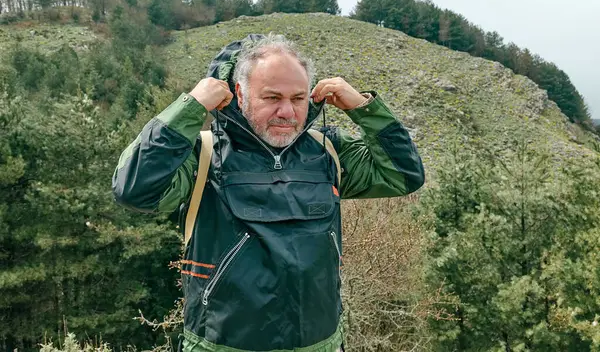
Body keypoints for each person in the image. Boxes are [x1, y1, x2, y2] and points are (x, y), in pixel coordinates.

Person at [112, 33, 425, 352]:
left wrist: (363, 108)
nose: (287, 112)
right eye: (272, 98)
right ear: (239, 93)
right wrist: (191, 107)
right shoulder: (202, 155)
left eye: (298, 98)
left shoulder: (328, 151)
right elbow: (134, 188)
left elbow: (404, 175)